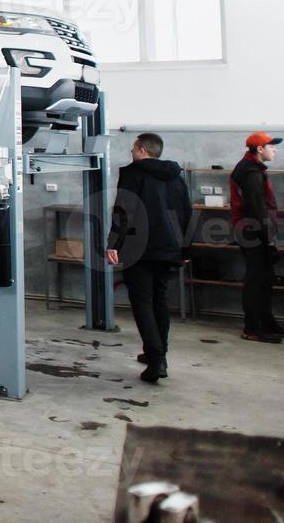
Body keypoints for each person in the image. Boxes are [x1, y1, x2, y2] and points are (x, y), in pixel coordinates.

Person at [105, 133, 192, 385]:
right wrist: (185, 250)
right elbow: (186, 212)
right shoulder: (175, 175)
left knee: (142, 302)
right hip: (169, 246)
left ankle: (156, 360)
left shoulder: (134, 173)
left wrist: (114, 243)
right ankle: (157, 351)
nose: (131, 152)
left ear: (142, 149)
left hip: (139, 248)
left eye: (133, 148)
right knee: (159, 299)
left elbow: (124, 210)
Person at [230, 131, 284, 344]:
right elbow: (257, 208)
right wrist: (268, 240)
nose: (274, 149)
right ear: (260, 149)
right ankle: (252, 328)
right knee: (256, 280)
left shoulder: (252, 168)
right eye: (271, 146)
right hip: (253, 232)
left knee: (265, 279)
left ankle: (267, 322)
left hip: (255, 230)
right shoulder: (250, 172)